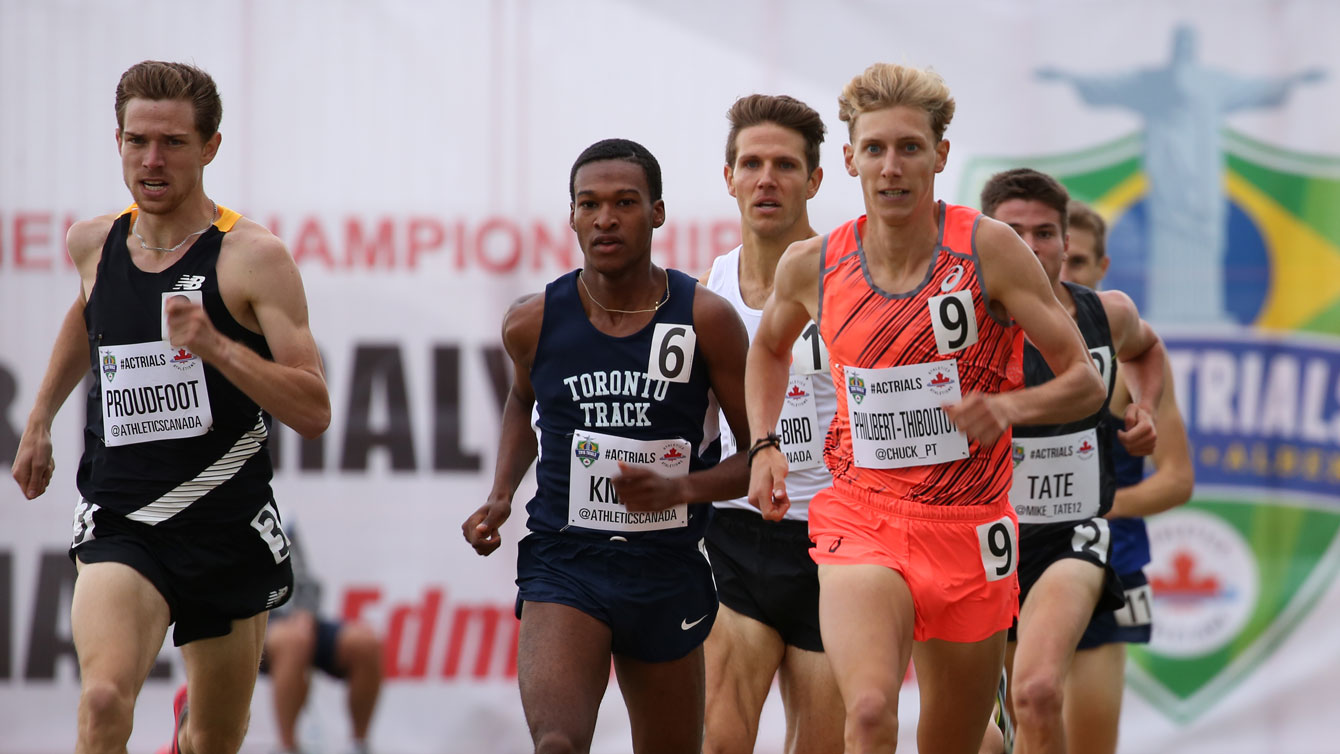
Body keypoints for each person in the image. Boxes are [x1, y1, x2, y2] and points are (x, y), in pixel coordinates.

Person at [745, 63, 1106, 754]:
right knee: (872, 713)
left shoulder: (988, 249)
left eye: (910, 147)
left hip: (969, 529)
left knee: (956, 742)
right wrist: (765, 443)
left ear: (940, 155)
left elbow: (1084, 381)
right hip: (862, 516)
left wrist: (1009, 408)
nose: (892, 167)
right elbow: (768, 350)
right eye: (875, 149)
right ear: (849, 158)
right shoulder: (813, 265)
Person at [8, 61, 329, 754]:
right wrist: (39, 420)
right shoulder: (93, 243)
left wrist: (218, 346)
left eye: (174, 143)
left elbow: (314, 409)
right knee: (101, 701)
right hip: (125, 517)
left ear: (210, 147)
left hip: (225, 523)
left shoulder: (252, 257)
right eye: (137, 141)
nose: (152, 161)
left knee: (212, 739)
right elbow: (89, 312)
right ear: (118, 141)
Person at [460, 138, 752, 754]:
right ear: (571, 216)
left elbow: (759, 457)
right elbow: (522, 400)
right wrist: (501, 494)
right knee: (558, 745)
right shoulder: (533, 319)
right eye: (588, 204)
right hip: (567, 561)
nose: (606, 218)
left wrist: (682, 489)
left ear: (658, 212)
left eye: (625, 202)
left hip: (666, 564)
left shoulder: (707, 318)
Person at [980, 170, 1167, 754]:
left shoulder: (1105, 314)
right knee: (987, 736)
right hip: (980, 540)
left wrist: (1146, 408)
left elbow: (1147, 349)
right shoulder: (958, 321)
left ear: (1065, 241)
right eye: (1014, 232)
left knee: (1037, 693)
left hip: (1073, 533)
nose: (1032, 247)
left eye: (1045, 232)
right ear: (986, 240)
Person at [699, 94, 843, 754]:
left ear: (814, 180)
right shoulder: (712, 287)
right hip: (736, 537)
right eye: (750, 163)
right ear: (728, 176)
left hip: (836, 543)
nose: (766, 179)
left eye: (785, 165)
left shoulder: (850, 278)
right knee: (721, 738)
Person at [1059, 200, 1194, 754]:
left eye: (1079, 261)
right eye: (1051, 255)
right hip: (1010, 568)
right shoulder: (996, 347)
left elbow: (1177, 479)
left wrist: (1089, 503)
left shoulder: (1132, 360)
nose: (1065, 274)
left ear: (1102, 269)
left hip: (1107, 570)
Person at [262, 524, 383, 754]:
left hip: (298, 617)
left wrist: (305, 613)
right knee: (294, 641)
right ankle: (288, 746)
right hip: (253, 620)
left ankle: (358, 745)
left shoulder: (283, 514)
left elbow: (305, 578)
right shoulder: (222, 507)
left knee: (365, 643)